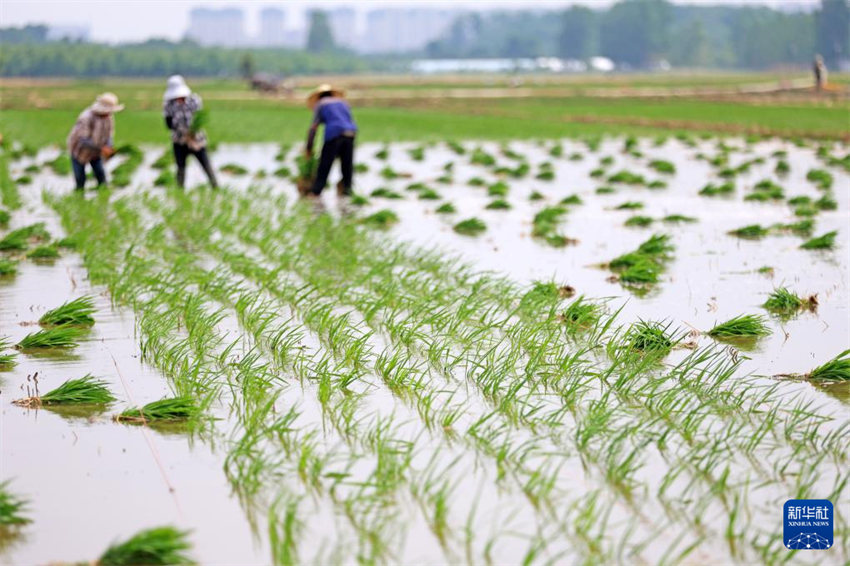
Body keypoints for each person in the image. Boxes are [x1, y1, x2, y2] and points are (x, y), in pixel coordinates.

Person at [162, 75, 218, 189]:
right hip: (179, 141)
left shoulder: (194, 100)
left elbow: (199, 118)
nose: (179, 98)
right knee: (180, 168)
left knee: (206, 165)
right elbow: (168, 124)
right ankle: (180, 191)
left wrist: (192, 132)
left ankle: (215, 187)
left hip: (197, 140)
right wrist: (183, 132)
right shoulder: (168, 104)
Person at [305, 84, 358, 197]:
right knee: (347, 165)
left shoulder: (321, 104)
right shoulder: (343, 103)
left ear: (319, 97)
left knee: (325, 164)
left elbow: (313, 128)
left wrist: (309, 148)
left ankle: (316, 192)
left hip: (334, 134)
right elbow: (349, 120)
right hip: (350, 133)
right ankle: (347, 190)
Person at [66, 92, 123, 191]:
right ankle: (79, 199)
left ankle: (103, 199)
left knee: (101, 177)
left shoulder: (109, 117)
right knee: (80, 179)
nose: (110, 113)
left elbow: (109, 135)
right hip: (79, 151)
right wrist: (102, 148)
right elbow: (83, 140)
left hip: (95, 152)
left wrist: (109, 146)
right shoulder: (86, 117)